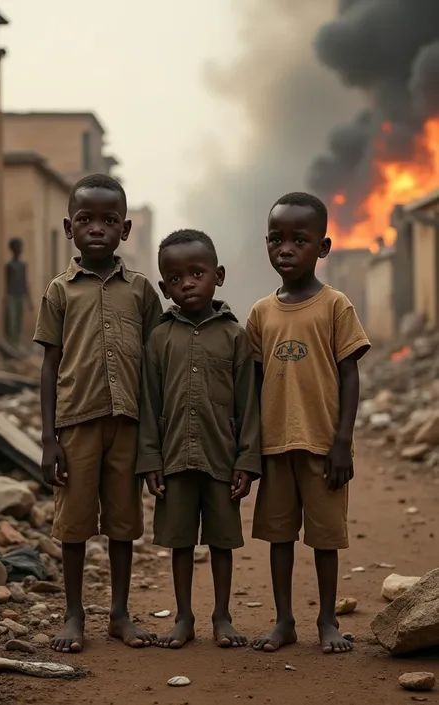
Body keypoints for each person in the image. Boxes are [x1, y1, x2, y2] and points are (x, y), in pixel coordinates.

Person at [33, 173, 162, 653]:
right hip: (75, 425)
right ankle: (73, 614)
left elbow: (154, 363)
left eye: (109, 221)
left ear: (125, 230)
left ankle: (120, 614)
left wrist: (156, 433)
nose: (97, 229)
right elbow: (49, 366)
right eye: (85, 220)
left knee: (124, 522)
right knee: (74, 524)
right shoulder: (60, 291)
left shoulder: (142, 292)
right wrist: (49, 439)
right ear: (69, 228)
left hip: (127, 424)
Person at [246, 192, 370, 655]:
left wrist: (342, 441)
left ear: (323, 247)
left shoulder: (335, 305)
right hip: (276, 446)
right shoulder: (260, 312)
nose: (286, 248)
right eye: (276, 239)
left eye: (299, 240)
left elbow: (349, 374)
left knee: (323, 538)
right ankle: (284, 621)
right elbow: (254, 382)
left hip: (322, 445)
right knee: (279, 536)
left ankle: (327, 620)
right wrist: (250, 446)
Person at [137, 229, 261, 649]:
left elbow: (249, 404)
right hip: (172, 459)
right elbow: (149, 404)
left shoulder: (235, 336)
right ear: (163, 287)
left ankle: (222, 616)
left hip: (221, 457)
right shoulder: (158, 339)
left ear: (218, 275)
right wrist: (149, 459)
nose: (186, 283)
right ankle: (184, 617)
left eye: (196, 273)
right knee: (181, 543)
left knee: (222, 542)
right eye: (174, 278)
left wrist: (247, 459)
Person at [4, 237, 33, 347]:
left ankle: (16, 343)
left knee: (18, 321)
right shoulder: (9, 265)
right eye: (17, 248)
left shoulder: (23, 265)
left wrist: (29, 300)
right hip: (11, 296)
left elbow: (25, 282)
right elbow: (7, 283)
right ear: (12, 249)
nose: (19, 250)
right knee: (11, 322)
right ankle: (11, 343)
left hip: (20, 296)